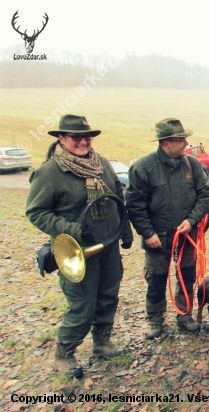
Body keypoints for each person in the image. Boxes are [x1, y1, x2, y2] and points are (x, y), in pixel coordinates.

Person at [26, 114, 133, 378]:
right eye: (76, 137)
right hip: (76, 252)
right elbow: (36, 212)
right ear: (61, 139)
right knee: (82, 305)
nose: (84, 141)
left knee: (108, 297)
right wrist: (74, 230)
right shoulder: (50, 172)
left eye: (88, 136)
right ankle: (64, 354)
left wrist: (125, 230)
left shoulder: (103, 165)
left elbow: (119, 199)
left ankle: (102, 343)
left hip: (108, 248)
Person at [126, 118, 209, 339]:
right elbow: (135, 205)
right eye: (181, 140)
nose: (186, 144)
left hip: (186, 237)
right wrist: (147, 233)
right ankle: (155, 321)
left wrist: (192, 220)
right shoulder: (143, 167)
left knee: (187, 276)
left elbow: (204, 195)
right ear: (166, 143)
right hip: (157, 238)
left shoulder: (192, 165)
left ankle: (185, 316)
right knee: (156, 279)